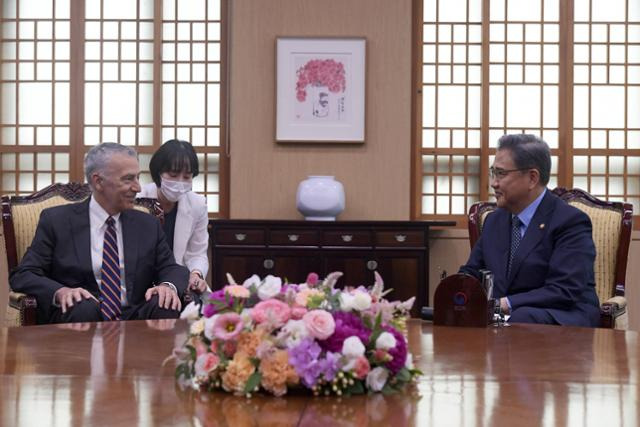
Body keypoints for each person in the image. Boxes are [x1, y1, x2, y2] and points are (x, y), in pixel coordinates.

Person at [10, 143, 189, 324]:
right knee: (82, 308)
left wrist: (168, 286)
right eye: (128, 179)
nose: (138, 188)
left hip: (136, 317)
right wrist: (61, 292)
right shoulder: (57, 221)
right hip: (81, 316)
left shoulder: (147, 224)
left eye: (138, 178)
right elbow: (24, 274)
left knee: (165, 303)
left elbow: (171, 268)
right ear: (98, 181)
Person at [459, 134, 600, 326]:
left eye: (501, 174)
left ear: (532, 178)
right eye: (493, 172)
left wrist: (504, 304)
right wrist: (456, 292)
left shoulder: (570, 222)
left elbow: (564, 290)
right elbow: (472, 272)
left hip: (561, 316)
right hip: (505, 320)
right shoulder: (494, 221)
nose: (493, 183)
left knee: (523, 317)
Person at [138, 139, 210, 294]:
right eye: (173, 174)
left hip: (179, 280)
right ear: (158, 173)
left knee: (206, 307)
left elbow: (197, 252)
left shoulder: (197, 204)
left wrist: (196, 274)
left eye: (187, 177)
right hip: (141, 281)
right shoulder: (138, 200)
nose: (180, 182)